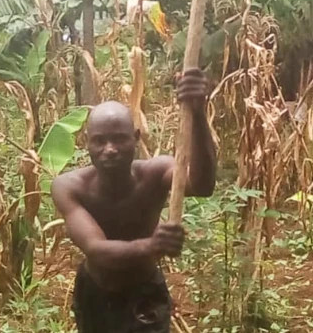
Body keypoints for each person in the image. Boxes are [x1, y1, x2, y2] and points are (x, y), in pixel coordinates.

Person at [51, 68, 217, 333]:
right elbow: (96, 250)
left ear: (136, 138)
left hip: (145, 292)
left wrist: (198, 114)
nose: (110, 149)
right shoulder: (69, 187)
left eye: (119, 139)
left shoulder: (157, 172)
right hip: (96, 294)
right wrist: (153, 246)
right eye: (99, 141)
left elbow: (202, 184)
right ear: (86, 144)